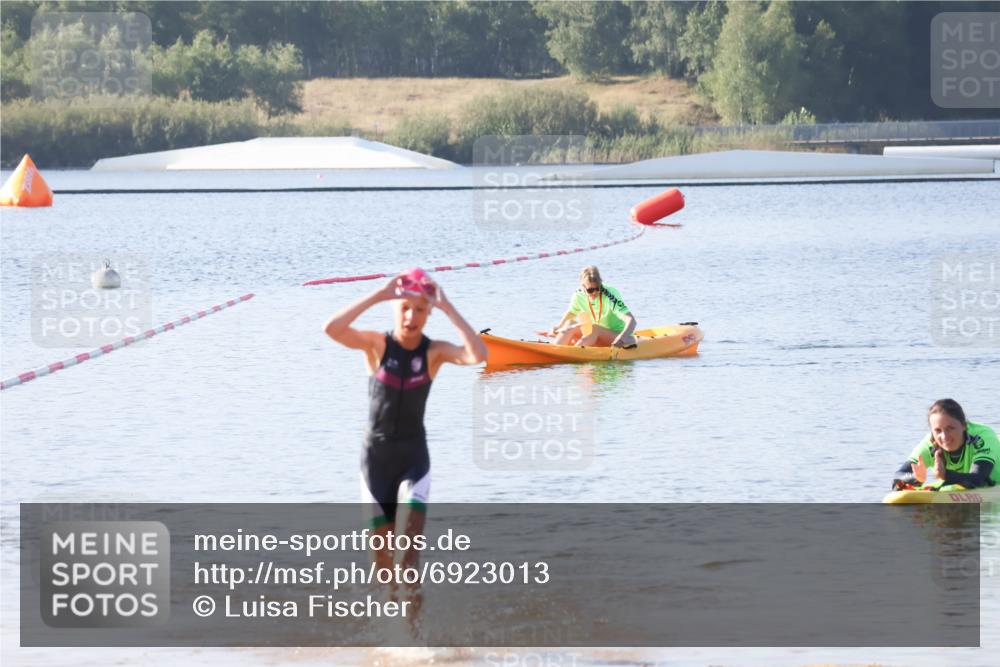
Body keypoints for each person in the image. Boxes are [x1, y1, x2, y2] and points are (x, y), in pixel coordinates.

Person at [323, 268, 487, 625]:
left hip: (413, 459)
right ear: (395, 310)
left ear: (428, 315)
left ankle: (411, 643)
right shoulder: (377, 346)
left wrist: (447, 307)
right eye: (405, 309)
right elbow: (332, 329)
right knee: (382, 565)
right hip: (376, 461)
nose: (412, 317)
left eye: (420, 310)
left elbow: (478, 355)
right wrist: (378, 295)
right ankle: (389, 632)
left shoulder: (434, 352)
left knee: (407, 560)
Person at [892, 399, 1000, 490]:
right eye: (938, 430)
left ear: (964, 426)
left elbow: (978, 478)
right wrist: (916, 479)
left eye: (950, 429)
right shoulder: (930, 444)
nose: (944, 437)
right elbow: (898, 475)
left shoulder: (982, 436)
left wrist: (944, 474)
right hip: (960, 485)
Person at [547, 266, 637, 347]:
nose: (594, 292)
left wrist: (622, 338)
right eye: (590, 290)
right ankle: (554, 349)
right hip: (593, 334)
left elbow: (631, 320)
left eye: (597, 288)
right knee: (570, 323)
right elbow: (571, 313)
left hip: (616, 336)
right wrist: (559, 327)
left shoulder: (610, 295)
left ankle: (576, 352)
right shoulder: (578, 295)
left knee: (594, 328)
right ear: (583, 287)